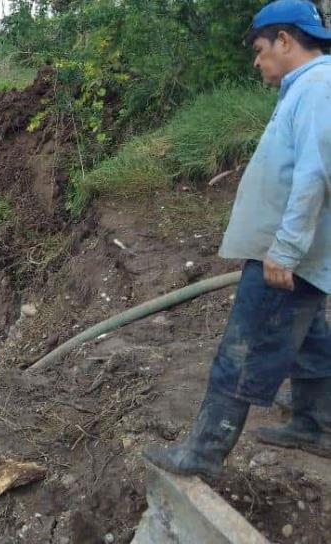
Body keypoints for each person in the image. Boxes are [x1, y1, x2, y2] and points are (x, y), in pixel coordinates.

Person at [144, 0, 331, 480]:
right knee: (309, 343)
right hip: (301, 257)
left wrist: (285, 250)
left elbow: (315, 176)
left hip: (288, 256)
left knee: (243, 351)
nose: (256, 60)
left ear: (285, 41)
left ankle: (202, 456)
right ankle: (316, 425)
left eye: (260, 48)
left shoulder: (317, 89)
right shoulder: (311, 88)